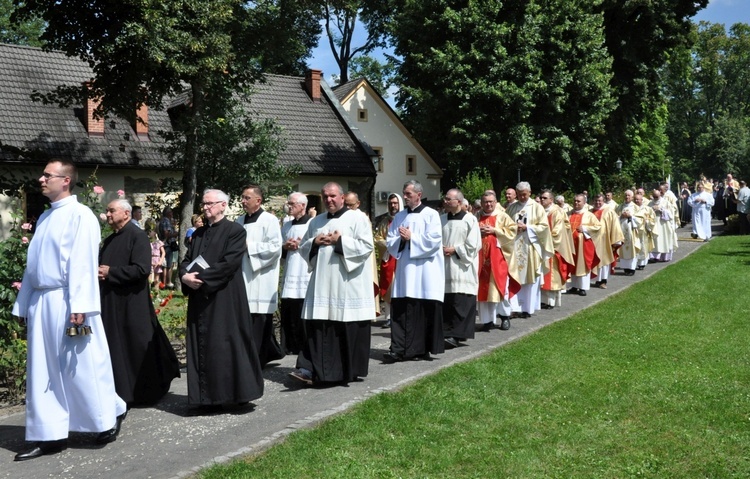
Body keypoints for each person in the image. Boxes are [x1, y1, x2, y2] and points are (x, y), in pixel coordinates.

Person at [12, 160, 127, 461]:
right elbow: (33, 266)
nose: (41, 179)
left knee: (83, 363)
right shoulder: (47, 218)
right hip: (43, 301)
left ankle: (105, 417)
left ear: (65, 181)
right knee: (44, 369)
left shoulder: (81, 215)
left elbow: (83, 262)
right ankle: (48, 432)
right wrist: (24, 303)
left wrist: (81, 305)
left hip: (69, 302)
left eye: (47, 175)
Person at [180, 189, 264, 412]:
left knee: (224, 345)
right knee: (202, 345)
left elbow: (229, 264)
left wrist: (200, 278)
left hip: (225, 298)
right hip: (200, 298)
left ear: (223, 205)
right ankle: (204, 398)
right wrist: (184, 276)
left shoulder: (235, 231)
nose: (205, 207)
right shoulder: (197, 235)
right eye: (204, 204)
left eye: (210, 204)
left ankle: (232, 395)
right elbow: (186, 261)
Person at [288, 182, 376, 385]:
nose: (329, 200)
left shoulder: (357, 218)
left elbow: (366, 247)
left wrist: (341, 241)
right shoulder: (315, 221)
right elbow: (304, 248)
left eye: (333, 196)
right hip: (321, 284)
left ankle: (343, 372)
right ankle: (310, 369)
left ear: (342, 197)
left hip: (347, 283)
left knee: (344, 326)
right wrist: (314, 243)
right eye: (325, 196)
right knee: (318, 326)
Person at [98, 199, 180, 407]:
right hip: (111, 302)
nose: (107, 214)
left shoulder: (138, 237)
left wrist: (111, 272)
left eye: (111, 210)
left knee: (137, 344)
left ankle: (147, 390)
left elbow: (142, 269)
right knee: (117, 345)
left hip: (132, 302)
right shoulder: (109, 241)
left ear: (126, 214)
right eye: (107, 211)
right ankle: (122, 390)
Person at [384, 180, 445, 362]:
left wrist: (412, 237)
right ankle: (399, 348)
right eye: (404, 193)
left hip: (426, 273)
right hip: (405, 271)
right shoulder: (399, 216)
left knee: (423, 310)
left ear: (419, 195)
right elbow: (390, 241)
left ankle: (421, 349)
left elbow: (434, 241)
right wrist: (401, 241)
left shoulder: (431, 215)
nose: (405, 197)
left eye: (408, 194)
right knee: (403, 309)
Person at [236, 184, 284, 368]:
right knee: (245, 318)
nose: (243, 201)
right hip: (242, 275)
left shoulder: (269, 220)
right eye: (242, 197)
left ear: (258, 200)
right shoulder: (239, 221)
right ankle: (248, 356)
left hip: (262, 277)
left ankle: (258, 358)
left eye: (247, 198)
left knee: (260, 319)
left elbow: (274, 248)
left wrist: (251, 247)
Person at [504, 182, 553, 318]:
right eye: (519, 195)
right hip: (514, 247)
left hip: (530, 247)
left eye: (524, 194)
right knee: (514, 276)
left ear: (530, 193)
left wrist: (528, 227)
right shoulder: (512, 208)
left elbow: (544, 227)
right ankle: (514, 307)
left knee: (529, 278)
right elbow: (504, 225)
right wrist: (514, 227)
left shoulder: (537, 208)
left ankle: (527, 308)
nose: (522, 197)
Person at [440, 189, 481, 348]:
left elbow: (474, 244)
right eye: (445, 198)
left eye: (448, 199)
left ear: (458, 201)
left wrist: (455, 250)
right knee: (448, 301)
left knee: (461, 301)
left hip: (462, 266)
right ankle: (448, 332)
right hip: (445, 264)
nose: (445, 201)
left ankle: (458, 334)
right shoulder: (441, 219)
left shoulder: (470, 220)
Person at [477, 190, 518, 331]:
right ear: (481, 203)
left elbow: (512, 232)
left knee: (500, 288)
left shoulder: (503, 216)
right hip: (480, 259)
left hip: (498, 259)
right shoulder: (477, 216)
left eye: (491, 202)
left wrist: (495, 230)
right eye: (485, 202)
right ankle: (487, 320)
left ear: (495, 202)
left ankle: (505, 317)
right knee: (482, 290)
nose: (488, 204)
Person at [280, 192, 312, 355]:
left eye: (292, 203)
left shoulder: (312, 224)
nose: (289, 206)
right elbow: (280, 248)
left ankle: (304, 344)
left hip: (305, 271)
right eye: (288, 203)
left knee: (302, 307)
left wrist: (302, 244)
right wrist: (285, 247)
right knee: (289, 307)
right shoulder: (286, 225)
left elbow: (314, 245)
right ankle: (289, 344)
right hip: (290, 267)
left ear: (303, 206)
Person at [373, 193, 403, 328]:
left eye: (395, 203)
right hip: (388, 258)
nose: (393, 206)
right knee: (388, 287)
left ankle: (401, 316)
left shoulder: (405, 219)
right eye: (390, 203)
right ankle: (389, 317)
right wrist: (390, 244)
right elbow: (378, 238)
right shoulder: (385, 222)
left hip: (402, 258)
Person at [540, 190, 574, 309]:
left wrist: (545, 239)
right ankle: (542, 300)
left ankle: (551, 301)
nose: (542, 199)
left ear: (551, 200)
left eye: (545, 198)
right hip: (542, 246)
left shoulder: (556, 212)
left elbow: (558, 231)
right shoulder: (540, 211)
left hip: (552, 248)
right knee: (543, 273)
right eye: (541, 197)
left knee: (552, 274)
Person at [567, 194, 602, 296]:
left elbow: (598, 227)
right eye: (575, 201)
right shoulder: (568, 214)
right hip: (571, 244)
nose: (576, 203)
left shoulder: (589, 215)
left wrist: (585, 228)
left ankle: (583, 287)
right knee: (572, 264)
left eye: (578, 201)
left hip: (583, 245)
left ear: (584, 203)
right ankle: (573, 286)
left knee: (583, 265)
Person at [591, 194, 623, 289]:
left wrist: (616, 239)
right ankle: (596, 279)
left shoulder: (609, 211)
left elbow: (615, 225)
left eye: (599, 201)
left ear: (603, 201)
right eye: (596, 201)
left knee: (603, 260)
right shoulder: (590, 211)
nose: (597, 203)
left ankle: (603, 280)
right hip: (591, 240)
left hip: (604, 240)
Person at [616, 190, 642, 276]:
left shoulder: (636, 207)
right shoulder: (620, 207)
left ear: (632, 197)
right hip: (622, 231)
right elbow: (615, 217)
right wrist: (621, 216)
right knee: (623, 249)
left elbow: (641, 220)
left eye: (628, 195)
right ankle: (625, 268)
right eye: (625, 195)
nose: (627, 197)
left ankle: (632, 268)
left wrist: (631, 216)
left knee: (632, 249)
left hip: (632, 232)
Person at [648, 188, 678, 262]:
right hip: (654, 223)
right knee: (655, 240)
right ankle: (654, 257)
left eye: (657, 197)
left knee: (664, 240)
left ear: (660, 195)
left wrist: (661, 210)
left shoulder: (665, 202)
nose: (655, 198)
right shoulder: (650, 203)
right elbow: (646, 212)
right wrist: (652, 209)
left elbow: (671, 214)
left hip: (663, 223)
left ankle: (664, 257)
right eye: (654, 197)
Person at [633, 192, 656, 270]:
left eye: (638, 199)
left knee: (643, 246)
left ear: (642, 200)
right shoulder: (631, 208)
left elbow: (653, 219)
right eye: (635, 199)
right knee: (634, 247)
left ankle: (642, 264)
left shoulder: (647, 209)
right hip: (633, 231)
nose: (636, 201)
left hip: (644, 231)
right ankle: (633, 263)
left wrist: (647, 222)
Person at [158, 206, 178, 289]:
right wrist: (176, 234)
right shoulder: (166, 221)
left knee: (165, 264)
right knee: (168, 265)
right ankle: (167, 283)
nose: (172, 213)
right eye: (171, 212)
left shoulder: (164, 221)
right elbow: (166, 234)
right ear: (167, 213)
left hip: (165, 244)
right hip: (167, 245)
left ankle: (164, 283)